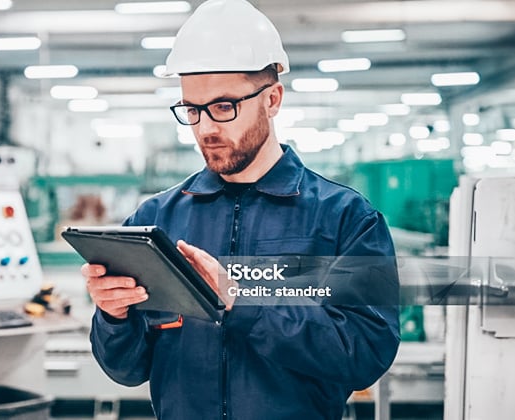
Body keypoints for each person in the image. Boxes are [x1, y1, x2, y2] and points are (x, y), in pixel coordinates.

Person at [81, 0, 400, 418]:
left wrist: (242, 302)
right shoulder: (156, 220)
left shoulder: (344, 219)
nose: (206, 128)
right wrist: (114, 316)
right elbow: (127, 370)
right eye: (192, 110)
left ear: (272, 99)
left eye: (223, 107)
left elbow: (365, 355)